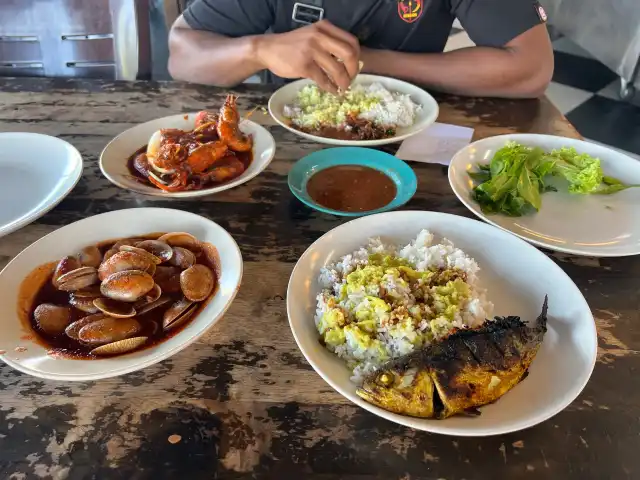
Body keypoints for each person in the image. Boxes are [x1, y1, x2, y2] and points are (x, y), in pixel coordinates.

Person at [168, 0, 553, 98]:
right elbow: (183, 53)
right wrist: (259, 50)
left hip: (412, 142)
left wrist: (370, 61)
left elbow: (532, 67)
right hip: (284, 145)